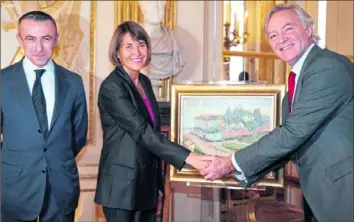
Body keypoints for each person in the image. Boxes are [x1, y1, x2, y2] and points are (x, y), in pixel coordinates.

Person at [201, 3, 353, 222]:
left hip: (344, 192)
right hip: (321, 192)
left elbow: (292, 134)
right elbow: (290, 143)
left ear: (308, 29)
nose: (281, 39)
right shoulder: (299, 79)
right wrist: (243, 171)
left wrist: (230, 162)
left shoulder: (326, 67)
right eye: (273, 35)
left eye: (288, 28)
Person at [94, 21, 206, 222]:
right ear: (117, 53)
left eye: (141, 44)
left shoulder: (143, 82)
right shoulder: (112, 87)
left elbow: (155, 128)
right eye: (128, 46)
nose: (137, 52)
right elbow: (142, 132)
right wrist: (190, 158)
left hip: (146, 186)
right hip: (122, 189)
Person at [1, 11, 88, 222]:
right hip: (15, 190)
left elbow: (78, 136)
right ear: (20, 39)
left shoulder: (74, 82)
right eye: (31, 38)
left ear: (56, 39)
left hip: (61, 190)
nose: (38, 48)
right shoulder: (2, 81)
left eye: (46, 38)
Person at [139, 0, 184, 99]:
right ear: (142, 8)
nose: (157, 6)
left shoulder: (172, 40)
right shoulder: (133, 38)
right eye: (152, 2)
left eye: (160, 2)